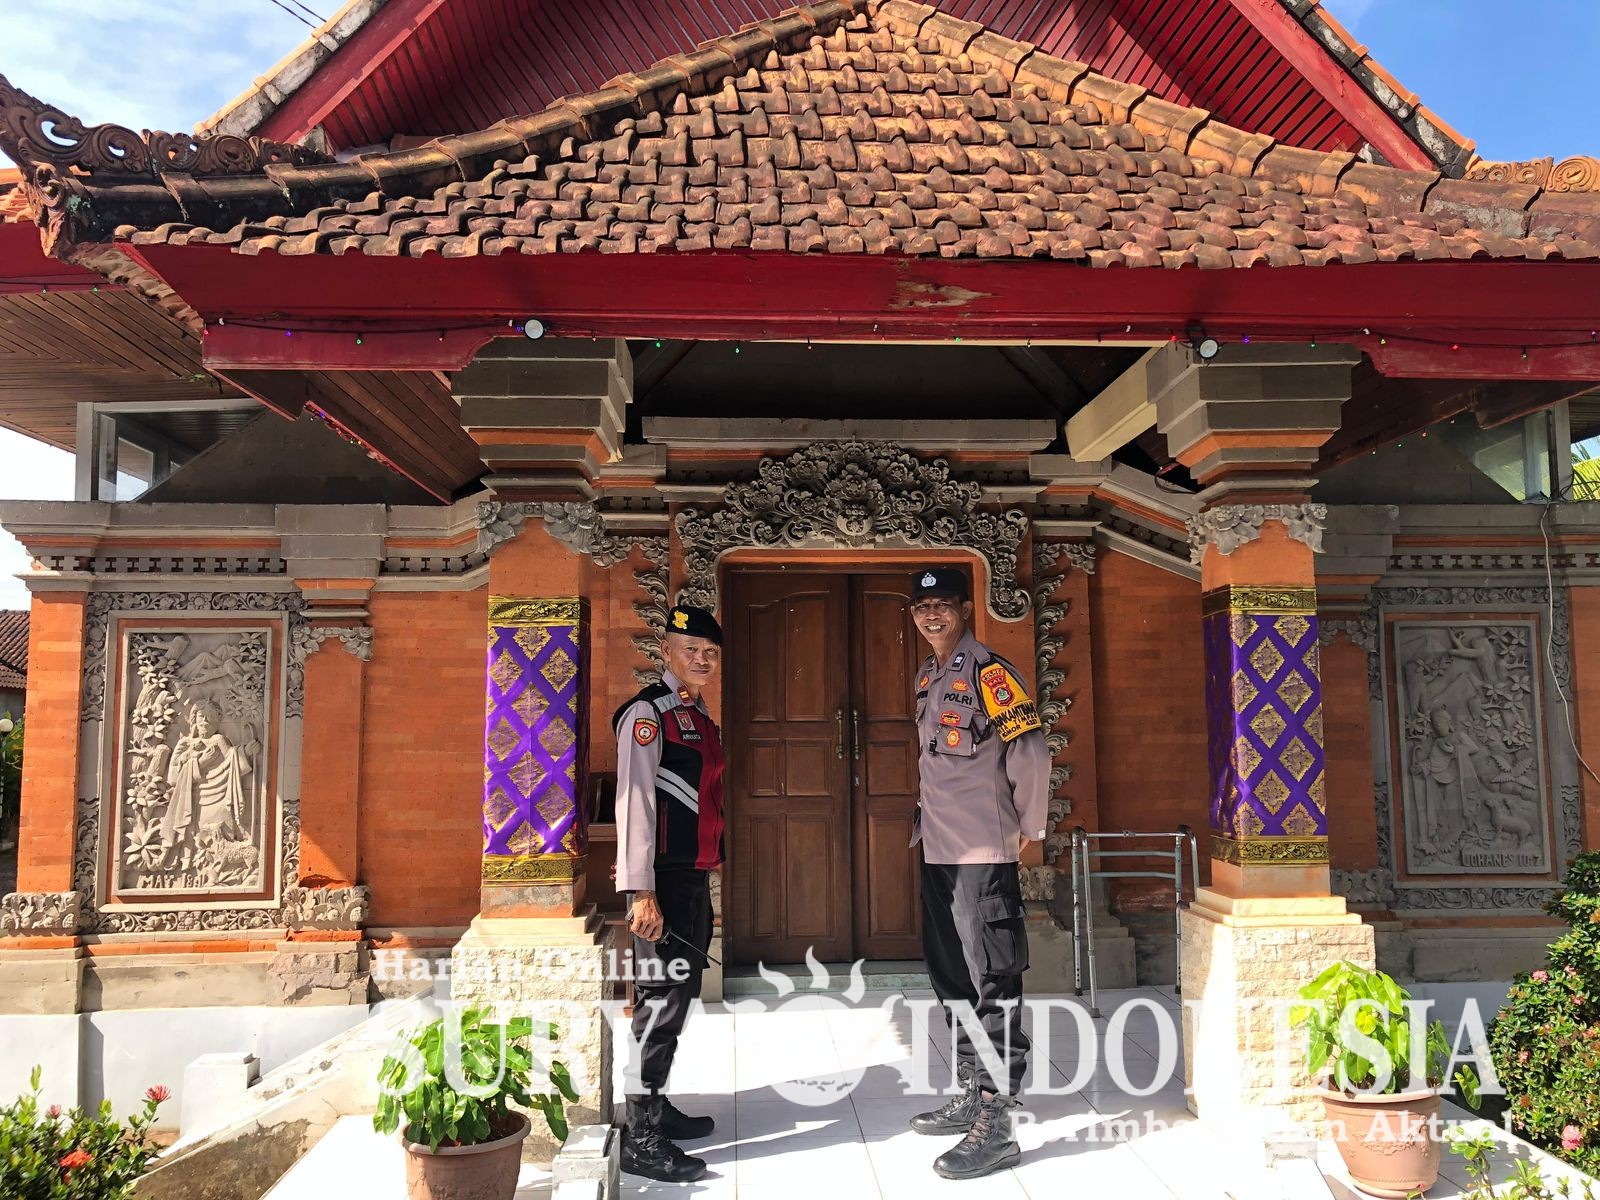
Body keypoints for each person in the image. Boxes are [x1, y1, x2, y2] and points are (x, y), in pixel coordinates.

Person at [904, 567, 1050, 1180]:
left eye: (942, 605)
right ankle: (972, 1090)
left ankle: (997, 1121)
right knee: (952, 977)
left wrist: (1030, 828)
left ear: (966, 608)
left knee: (993, 980)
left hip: (983, 853)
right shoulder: (929, 676)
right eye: (922, 608)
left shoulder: (991, 674)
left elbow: (1031, 751)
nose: (931, 616)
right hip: (938, 848)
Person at [612, 604, 727, 1183]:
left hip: (690, 879)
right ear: (666, 652)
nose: (702, 659)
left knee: (677, 998)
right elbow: (634, 800)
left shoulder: (696, 716)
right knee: (658, 1004)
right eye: (691, 650)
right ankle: (641, 1136)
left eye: (710, 652)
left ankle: (655, 1107)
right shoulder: (648, 715)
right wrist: (640, 890)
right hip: (660, 882)